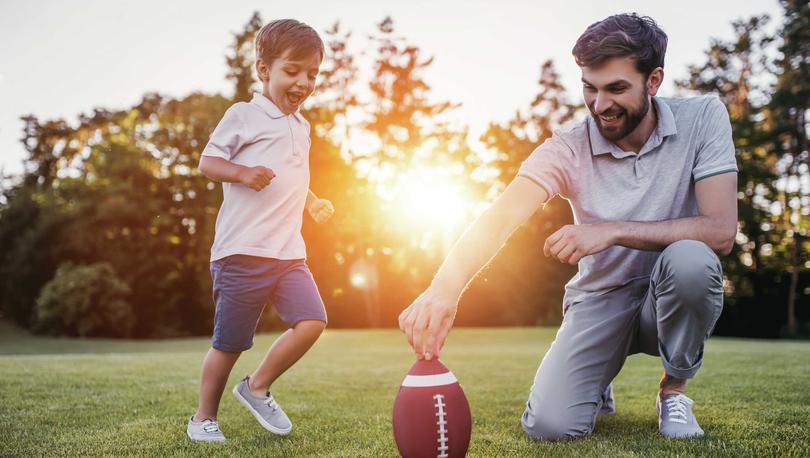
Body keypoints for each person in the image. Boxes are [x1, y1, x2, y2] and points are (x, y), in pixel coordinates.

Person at [399, 13, 737, 440]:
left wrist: (611, 229)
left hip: (668, 299)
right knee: (550, 426)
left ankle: (673, 391)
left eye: (616, 89)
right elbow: (501, 215)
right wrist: (444, 288)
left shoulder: (703, 118)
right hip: (600, 300)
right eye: (589, 88)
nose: (600, 105)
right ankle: (598, 379)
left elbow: (721, 231)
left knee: (692, 260)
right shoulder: (567, 148)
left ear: (654, 81)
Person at [186, 19, 334, 442]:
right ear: (264, 69)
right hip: (242, 251)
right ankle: (202, 419)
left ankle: (256, 386)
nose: (304, 82)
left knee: (312, 321)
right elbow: (208, 163)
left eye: (313, 74)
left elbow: (291, 179)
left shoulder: (302, 126)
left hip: (288, 252)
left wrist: (313, 202)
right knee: (230, 344)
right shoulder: (244, 115)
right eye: (293, 71)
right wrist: (242, 171)